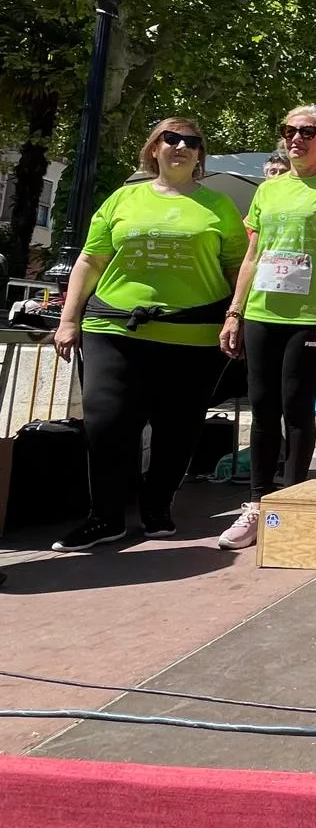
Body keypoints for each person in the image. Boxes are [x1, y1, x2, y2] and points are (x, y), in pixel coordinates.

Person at [50, 117, 246, 550]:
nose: (180, 146)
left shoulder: (219, 207)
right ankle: (105, 517)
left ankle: (157, 506)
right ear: (153, 148)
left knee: (178, 428)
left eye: (191, 142)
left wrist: (237, 317)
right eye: (170, 139)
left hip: (192, 336)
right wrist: (69, 319)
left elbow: (237, 269)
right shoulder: (123, 198)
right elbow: (89, 261)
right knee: (105, 424)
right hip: (112, 328)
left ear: (199, 155)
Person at [217, 107, 316, 549]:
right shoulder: (268, 190)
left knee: (297, 406)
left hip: (308, 317)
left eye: (307, 131)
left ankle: (293, 501)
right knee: (262, 408)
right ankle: (257, 505)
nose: (296, 138)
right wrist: (235, 312)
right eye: (289, 131)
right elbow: (251, 257)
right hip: (261, 313)